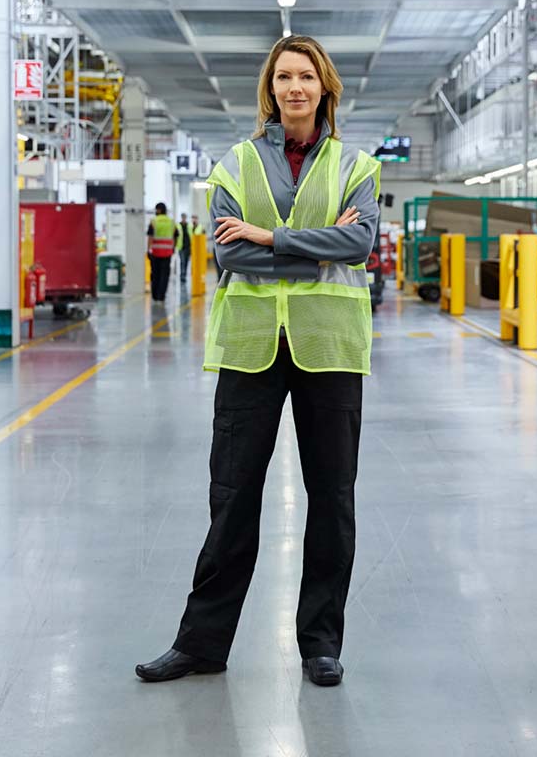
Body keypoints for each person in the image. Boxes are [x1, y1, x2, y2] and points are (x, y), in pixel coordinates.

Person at [136, 35, 381, 688]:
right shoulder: (236, 162)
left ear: (323, 85)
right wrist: (315, 248)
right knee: (232, 494)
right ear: (270, 90)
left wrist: (270, 235)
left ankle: (321, 643)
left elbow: (359, 244)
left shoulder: (355, 164)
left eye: (305, 76)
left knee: (332, 495)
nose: (294, 87)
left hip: (329, 343)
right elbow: (229, 255)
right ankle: (202, 643)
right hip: (251, 344)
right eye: (283, 77)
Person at [146, 202, 176, 302]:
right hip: (167, 253)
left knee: (155, 274)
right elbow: (175, 236)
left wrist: (148, 250)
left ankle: (155, 296)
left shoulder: (154, 221)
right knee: (164, 275)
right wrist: (173, 248)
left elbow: (150, 236)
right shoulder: (171, 222)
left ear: (159, 210)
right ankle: (161, 296)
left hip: (155, 252)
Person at [177, 213, 193, 284]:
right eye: (183, 217)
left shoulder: (189, 226)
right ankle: (182, 276)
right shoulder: (178, 225)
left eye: (185, 217)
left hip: (188, 247)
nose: (184, 218)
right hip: (181, 246)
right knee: (182, 262)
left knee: (186, 262)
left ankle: (184, 275)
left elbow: (192, 235)